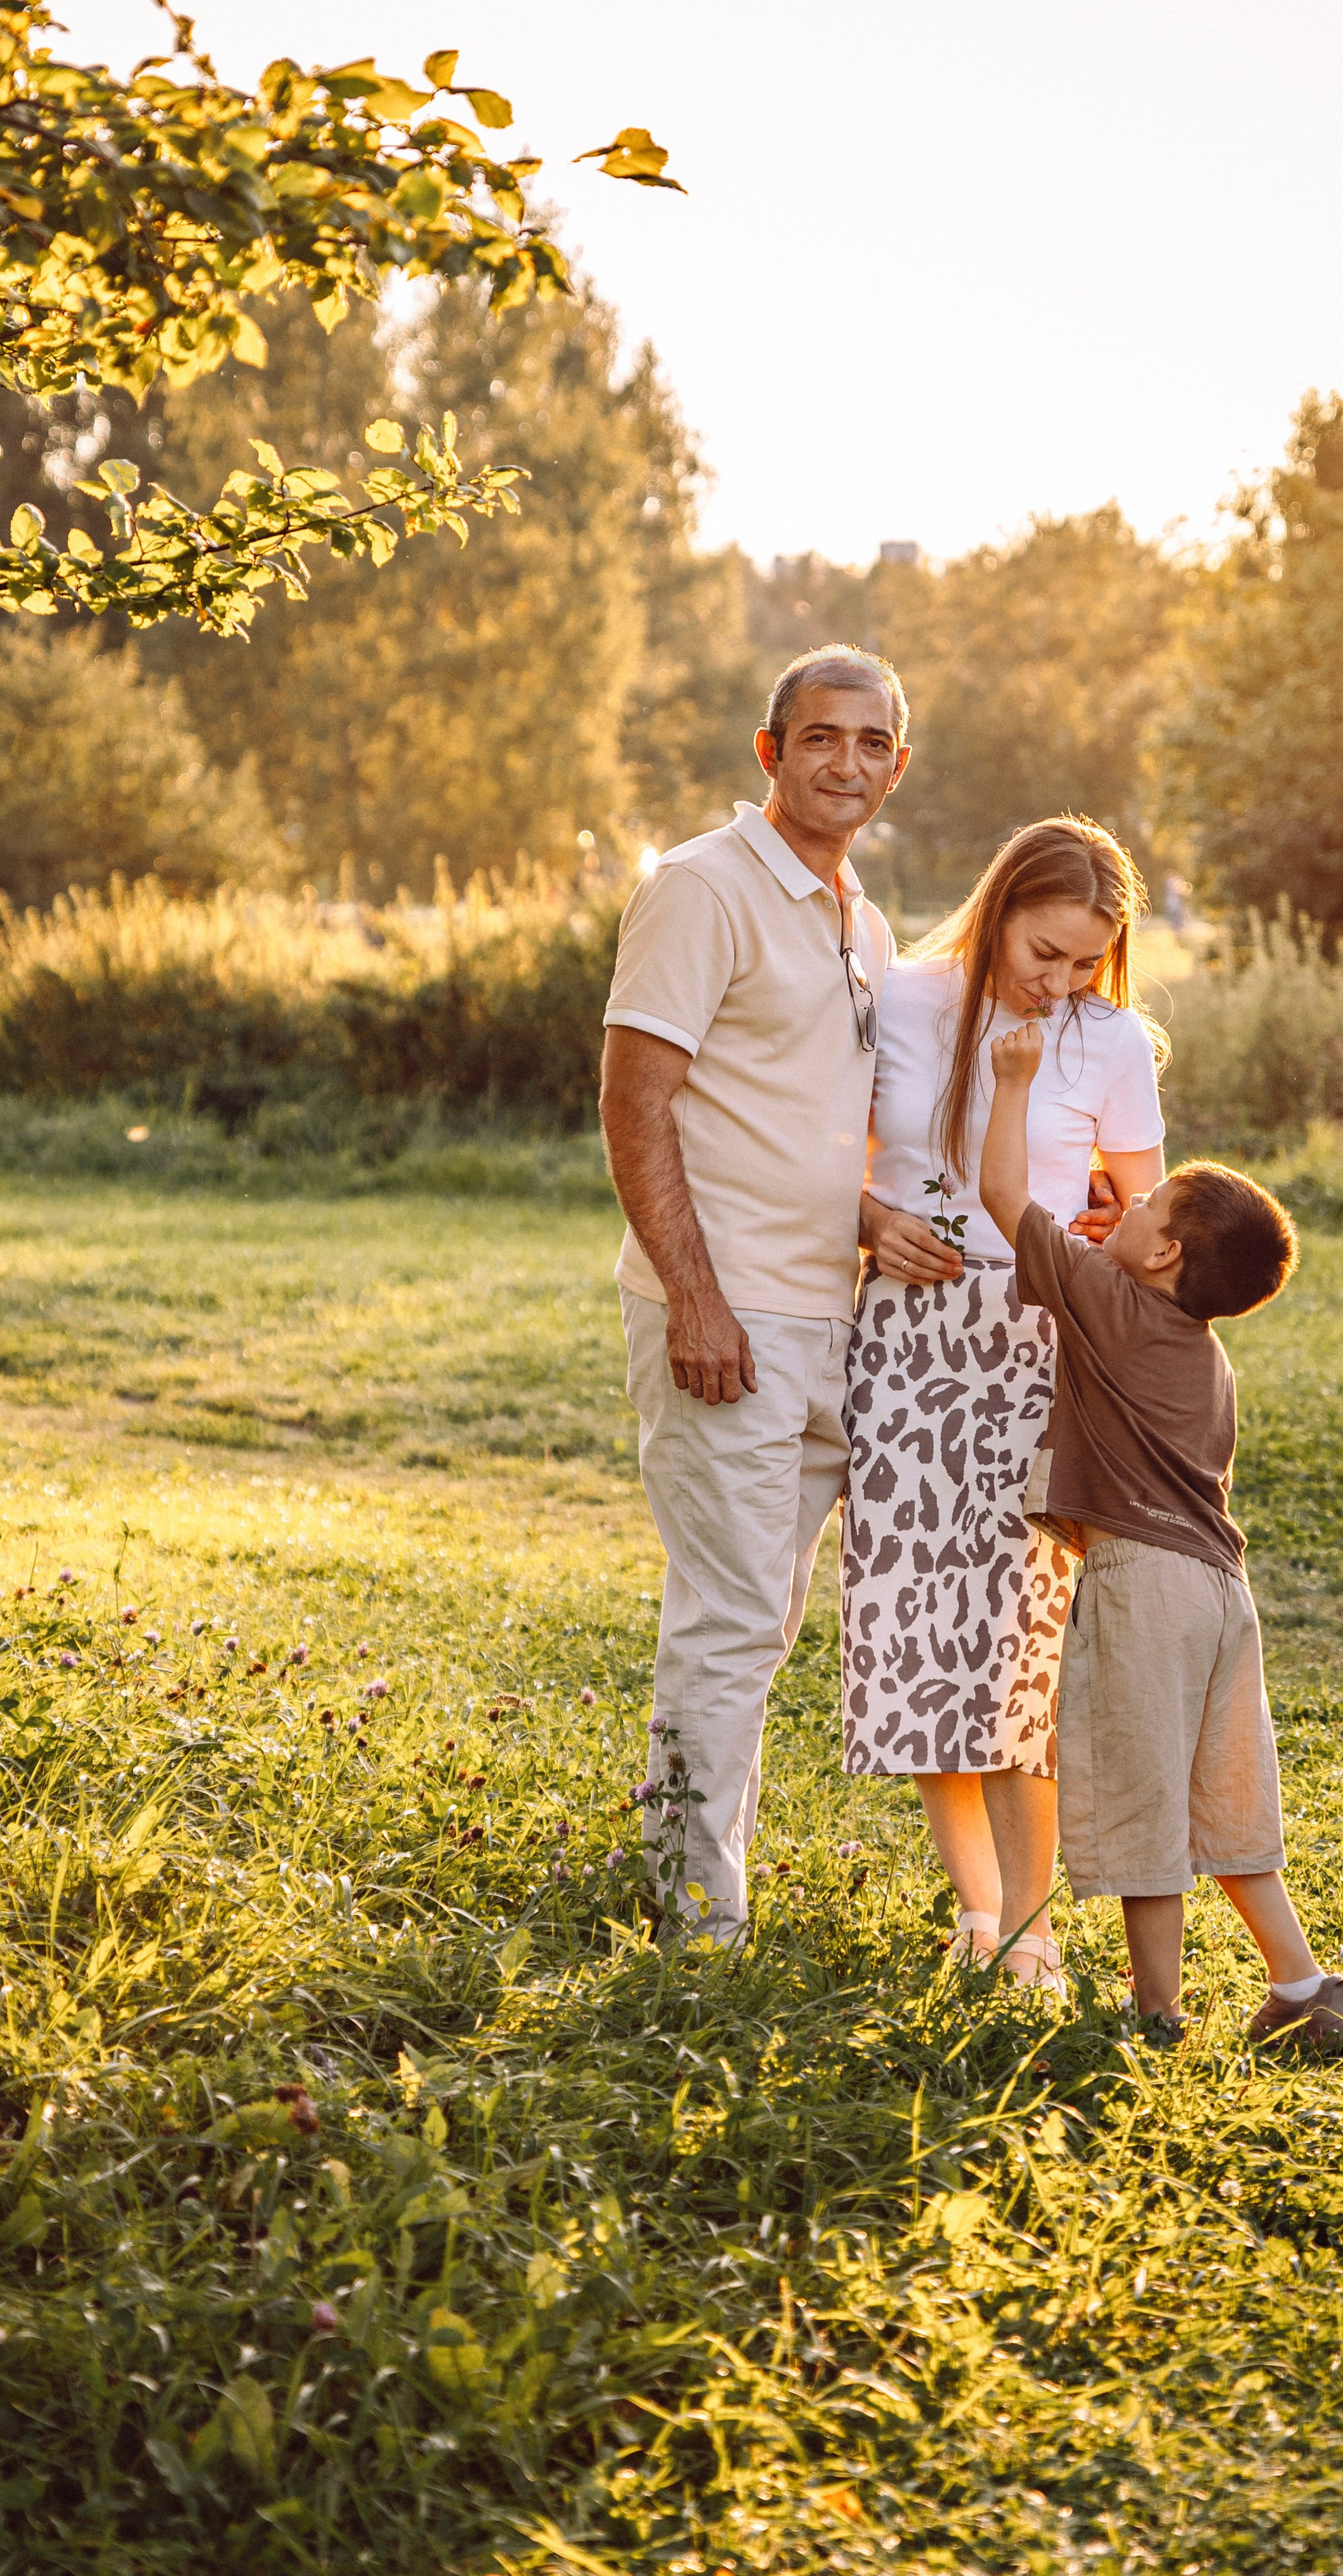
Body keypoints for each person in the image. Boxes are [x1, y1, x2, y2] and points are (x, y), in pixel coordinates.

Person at [977, 1026, 1343, 2053]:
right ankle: (1302, 1986)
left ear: (1161, 1256)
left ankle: (1155, 2018)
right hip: (1221, 1595)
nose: (1126, 1198)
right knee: (1225, 1803)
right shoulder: (1207, 1356)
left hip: (1142, 1585)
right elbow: (1137, 1257)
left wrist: (1013, 1081)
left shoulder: (1106, 1299)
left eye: (1143, 1202)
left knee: (1143, 1804)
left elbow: (1003, 1193)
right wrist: (1131, 1232)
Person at [599, 644, 907, 1936]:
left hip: (830, 1315)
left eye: (872, 742)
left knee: (761, 1619)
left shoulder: (862, 922)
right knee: (731, 1616)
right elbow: (634, 1102)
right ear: (772, 752)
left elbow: (805, 1122)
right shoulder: (701, 886)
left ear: (897, 767)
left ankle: (685, 1867)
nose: (846, 762)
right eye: (821, 737)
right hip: (725, 1314)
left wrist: (877, 1220)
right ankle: (693, 1927)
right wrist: (696, 1298)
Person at [842, 817, 1166, 1996]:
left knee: (1025, 1641)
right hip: (907, 1342)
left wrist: (1108, 1237)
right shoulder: (897, 997)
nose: (1060, 981)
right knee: (923, 1626)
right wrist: (872, 1224)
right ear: (997, 911)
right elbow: (827, 1154)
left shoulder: (1109, 1038)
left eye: (1085, 961)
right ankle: (976, 1910)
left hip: (1037, 1347)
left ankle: (1034, 1926)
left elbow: (1147, 1215)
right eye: (1044, 952)